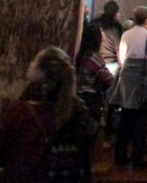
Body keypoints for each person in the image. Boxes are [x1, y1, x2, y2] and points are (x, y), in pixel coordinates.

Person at [0, 45, 92, 182]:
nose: (31, 63)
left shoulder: (20, 111)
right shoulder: (79, 111)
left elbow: (3, 152)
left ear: (41, 73)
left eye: (35, 60)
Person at [110, 5, 147, 169]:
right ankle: (137, 158)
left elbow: (121, 58)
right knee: (140, 120)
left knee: (125, 117)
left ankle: (120, 157)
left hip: (127, 77)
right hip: (142, 79)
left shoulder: (126, 34)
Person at [75, 22, 113, 151]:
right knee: (90, 131)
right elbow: (108, 78)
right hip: (90, 97)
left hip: (78, 95)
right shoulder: (94, 57)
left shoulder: (81, 54)